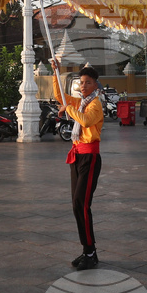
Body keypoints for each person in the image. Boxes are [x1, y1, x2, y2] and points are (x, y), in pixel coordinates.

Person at [52, 60, 104, 269]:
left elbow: (86, 121)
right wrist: (56, 72)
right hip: (77, 156)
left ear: (95, 85)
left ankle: (90, 252)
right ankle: (88, 250)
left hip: (90, 158)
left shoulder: (95, 104)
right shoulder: (80, 102)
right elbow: (60, 97)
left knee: (82, 204)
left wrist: (68, 109)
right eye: (81, 82)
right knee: (77, 204)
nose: (83, 86)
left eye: (87, 82)